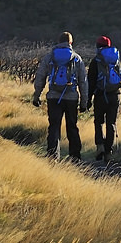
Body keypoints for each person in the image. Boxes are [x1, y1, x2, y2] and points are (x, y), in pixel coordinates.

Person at [32, 32, 88, 161]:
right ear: (70, 43)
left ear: (58, 42)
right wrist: (84, 102)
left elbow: (40, 77)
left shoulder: (50, 57)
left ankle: (53, 156)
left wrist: (37, 96)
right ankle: (75, 156)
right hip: (72, 98)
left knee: (54, 126)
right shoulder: (76, 58)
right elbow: (83, 82)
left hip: (53, 97)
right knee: (72, 126)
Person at [86, 36, 121, 161]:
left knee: (98, 122)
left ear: (97, 46)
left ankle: (100, 145)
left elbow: (90, 82)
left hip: (101, 95)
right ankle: (108, 152)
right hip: (115, 94)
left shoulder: (96, 61)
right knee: (111, 123)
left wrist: (88, 99)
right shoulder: (115, 59)